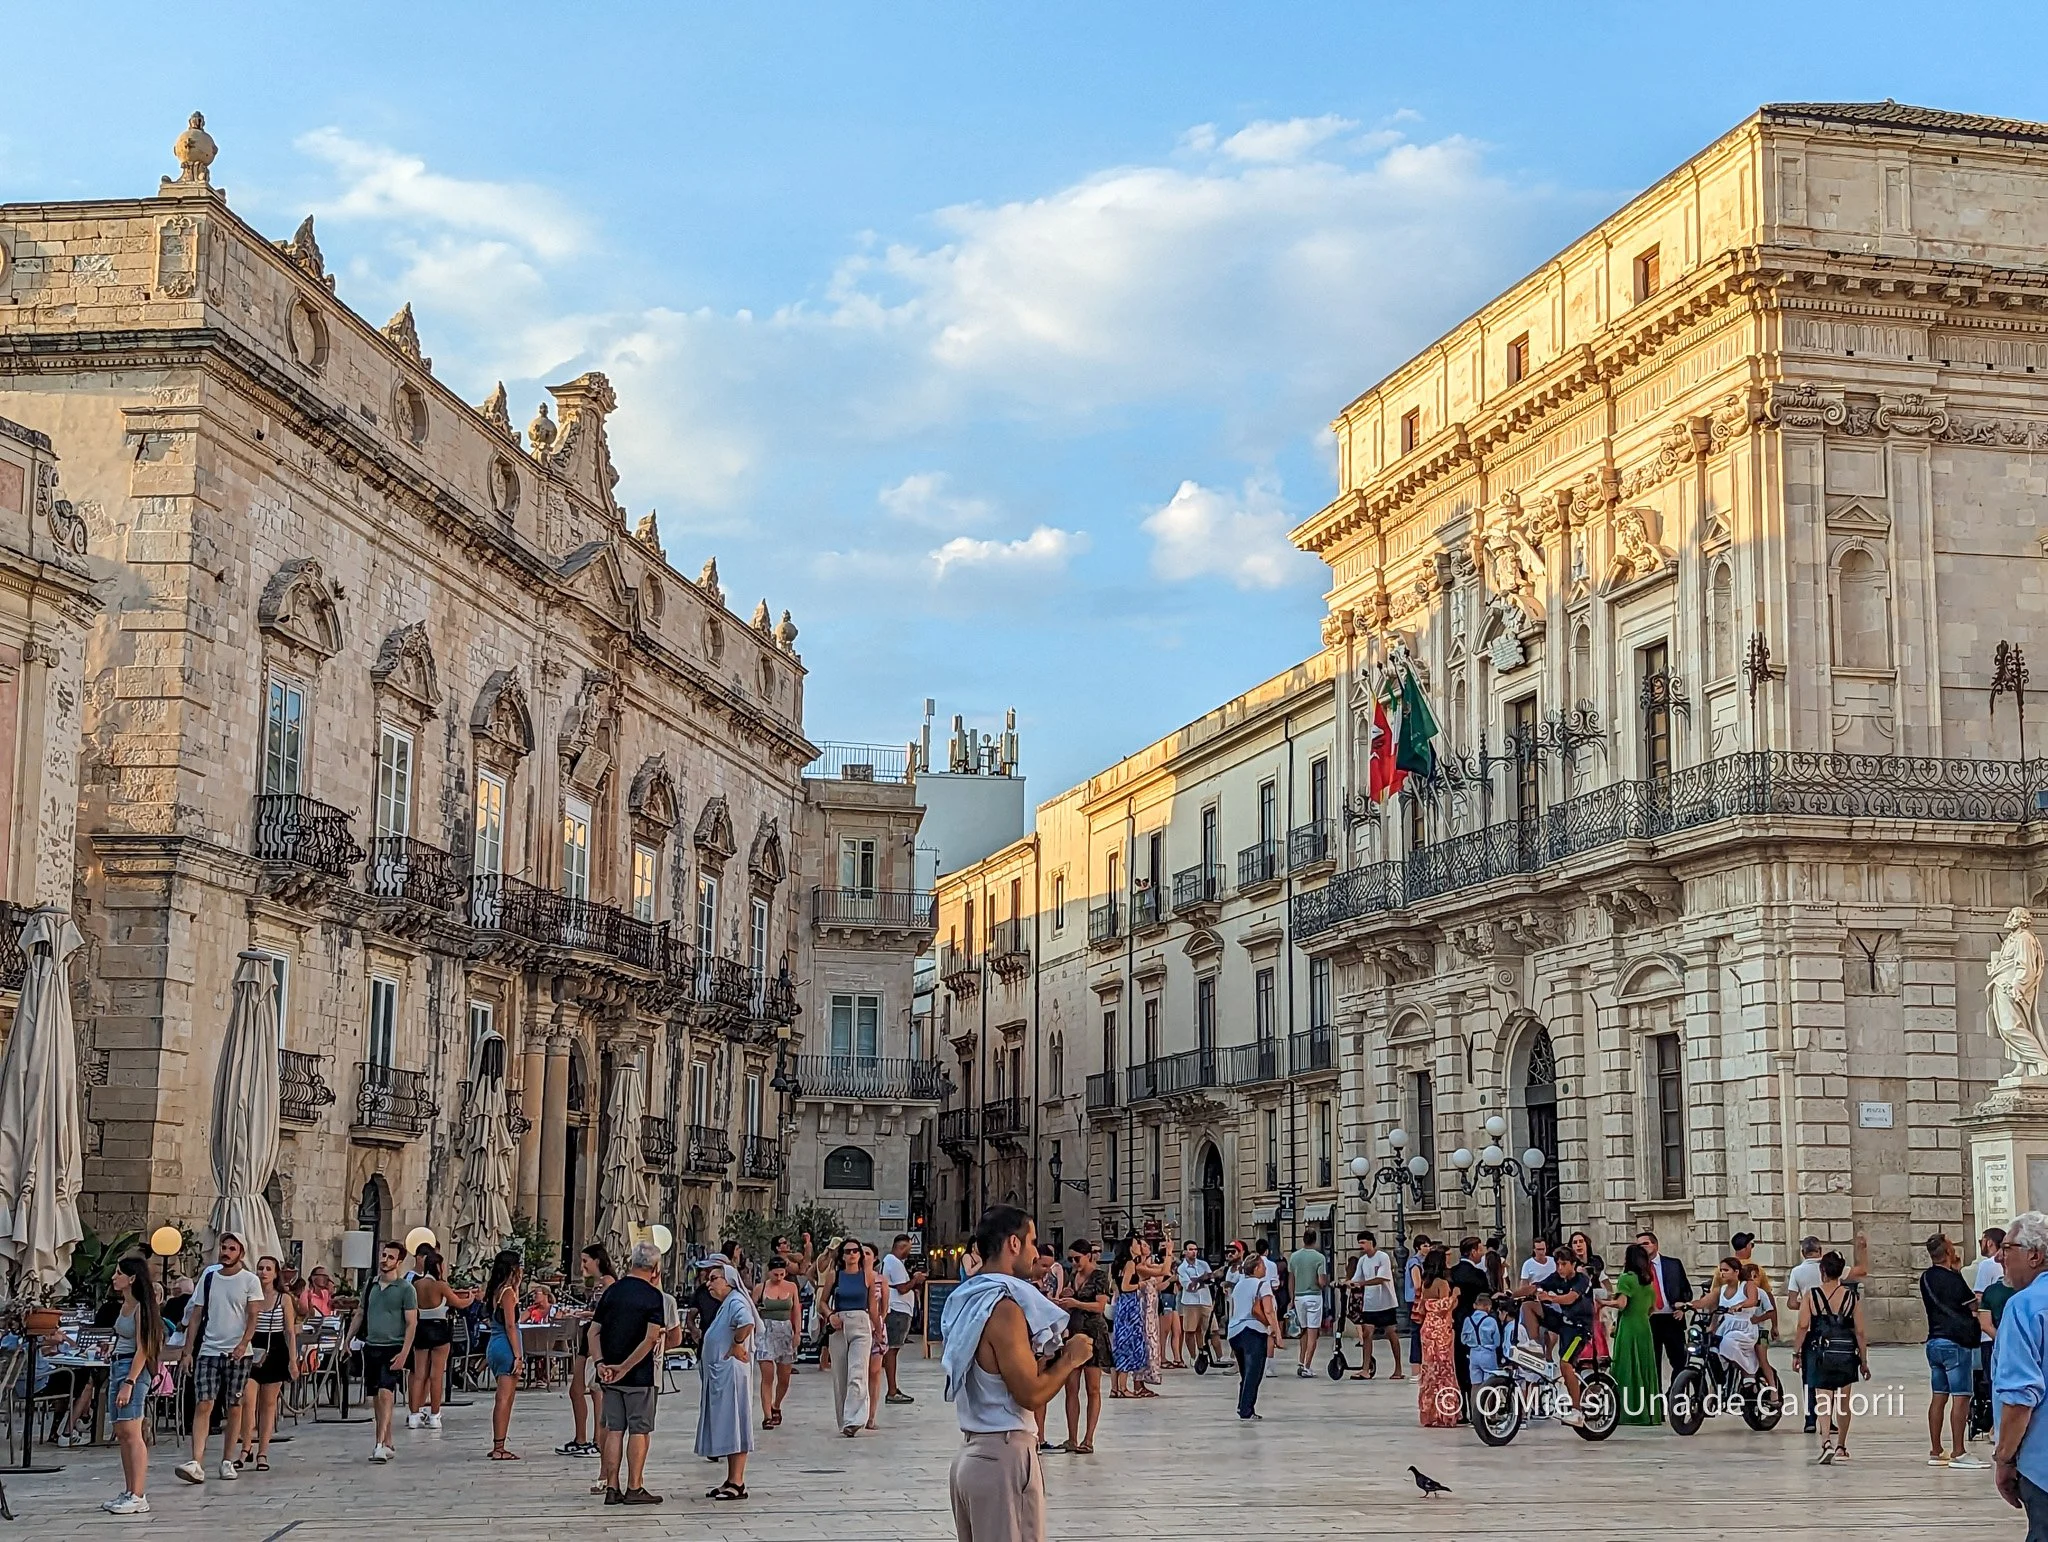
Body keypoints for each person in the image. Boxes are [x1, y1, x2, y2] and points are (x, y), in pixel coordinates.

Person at [942, 1206, 1093, 1542]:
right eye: (1032, 1242)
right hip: (1004, 1456)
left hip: (973, 1455)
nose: (1035, 1252)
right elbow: (1029, 1394)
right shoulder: (1005, 1308)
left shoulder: (970, 1300)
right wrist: (1070, 1359)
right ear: (1013, 1243)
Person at [174, 1231, 265, 1485]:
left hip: (238, 1352)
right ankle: (196, 1461)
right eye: (224, 1247)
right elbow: (196, 1315)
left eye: (231, 1248)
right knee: (204, 1403)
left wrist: (243, 1343)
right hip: (209, 1349)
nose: (226, 1252)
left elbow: (253, 1316)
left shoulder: (250, 1280)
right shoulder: (209, 1278)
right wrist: (188, 1351)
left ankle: (227, 1459)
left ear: (241, 1253)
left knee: (234, 1405)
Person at [586, 1239, 668, 1505]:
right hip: (637, 1376)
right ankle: (634, 1486)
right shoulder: (653, 1296)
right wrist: (625, 1368)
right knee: (639, 1430)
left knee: (614, 1429)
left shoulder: (612, 1291)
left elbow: (593, 1331)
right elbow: (650, 1339)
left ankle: (612, 1487)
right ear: (655, 1267)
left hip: (608, 1374)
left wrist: (601, 1364)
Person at [1993, 1212, 2048, 1528]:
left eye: (2007, 1248)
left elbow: (2019, 1398)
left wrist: (2004, 1459)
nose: (2000, 1257)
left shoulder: (2024, 1307)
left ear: (2035, 1256)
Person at [688, 1251, 757, 1502]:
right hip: (721, 1375)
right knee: (728, 1426)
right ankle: (730, 1479)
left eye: (714, 1278)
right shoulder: (726, 1304)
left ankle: (737, 1482)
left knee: (735, 1425)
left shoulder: (736, 1301)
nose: (709, 1283)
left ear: (728, 1281)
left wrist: (738, 1343)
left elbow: (747, 1323)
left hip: (731, 1375)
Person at [101, 1254, 164, 1516]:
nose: (114, 1277)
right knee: (122, 1433)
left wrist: (130, 1382)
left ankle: (138, 1493)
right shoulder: (123, 1307)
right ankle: (129, 1490)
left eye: (118, 1273)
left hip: (131, 1370)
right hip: (118, 1364)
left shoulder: (141, 1308)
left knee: (132, 1431)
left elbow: (143, 1348)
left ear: (132, 1279)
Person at [348, 1239, 418, 1464]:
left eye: (390, 1257)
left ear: (398, 1262)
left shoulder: (406, 1289)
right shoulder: (371, 1285)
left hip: (393, 1347)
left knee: (387, 1393)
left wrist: (405, 1352)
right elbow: (360, 1313)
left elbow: (411, 1322)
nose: (384, 1260)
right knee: (376, 1397)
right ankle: (387, 1440)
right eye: (383, 1255)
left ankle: (378, 1444)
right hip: (372, 1345)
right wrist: (347, 1340)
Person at [1794, 1248, 1867, 1464]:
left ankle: (1826, 1441)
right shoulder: (1851, 1298)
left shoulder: (1811, 1295)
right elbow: (1860, 1331)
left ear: (1822, 1271)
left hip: (1820, 1350)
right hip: (1845, 1351)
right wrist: (1864, 1360)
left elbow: (1802, 1325)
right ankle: (1842, 1446)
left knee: (1823, 1398)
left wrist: (1796, 1351)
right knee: (1844, 1401)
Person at [1921, 1232, 1987, 1468]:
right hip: (1955, 1344)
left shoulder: (1926, 1278)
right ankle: (1959, 1451)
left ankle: (1936, 1450)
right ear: (1948, 1252)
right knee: (1961, 1397)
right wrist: (1957, 1272)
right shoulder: (1953, 1279)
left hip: (1934, 1341)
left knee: (1938, 1396)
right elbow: (1972, 1304)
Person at [1518, 1246, 1591, 1426]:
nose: (1559, 1268)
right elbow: (1535, 1287)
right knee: (1528, 1306)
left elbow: (1571, 1298)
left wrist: (1551, 1299)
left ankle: (1577, 1411)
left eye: (1563, 1264)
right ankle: (1534, 1346)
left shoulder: (1582, 1279)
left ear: (1573, 1264)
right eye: (1557, 1264)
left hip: (1578, 1328)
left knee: (1565, 1363)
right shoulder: (1556, 1278)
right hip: (1563, 1321)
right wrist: (1510, 1294)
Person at [237, 1255, 299, 1469]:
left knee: (269, 1404)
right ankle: (246, 1446)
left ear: (275, 1273)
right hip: (253, 1347)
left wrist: (293, 1360)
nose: (263, 1272)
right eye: (260, 1268)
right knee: (247, 1400)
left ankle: (263, 1451)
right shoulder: (250, 1296)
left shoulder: (284, 1299)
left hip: (275, 1349)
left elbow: (289, 1331)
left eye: (268, 1269)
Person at [559, 1243, 616, 1458]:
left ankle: (597, 1439)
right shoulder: (598, 1284)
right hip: (587, 1338)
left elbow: (606, 1314)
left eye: (586, 1261)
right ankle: (581, 1437)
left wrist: (585, 1315)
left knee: (595, 1390)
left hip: (596, 1340)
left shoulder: (609, 1284)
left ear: (597, 1261)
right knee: (577, 1389)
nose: (583, 1265)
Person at [1056, 1240, 1109, 1453]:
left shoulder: (1100, 1277)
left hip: (1094, 1333)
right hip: (1074, 1331)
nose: (1073, 1262)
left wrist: (1076, 1303)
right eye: (1070, 1259)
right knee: (1071, 1387)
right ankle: (1072, 1438)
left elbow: (1100, 1306)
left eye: (1077, 1258)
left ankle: (1088, 1439)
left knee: (1093, 1388)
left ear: (1088, 1256)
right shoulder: (1073, 1276)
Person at [819, 1237, 874, 1436]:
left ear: (859, 1254)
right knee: (840, 1375)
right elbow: (822, 1302)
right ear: (842, 1255)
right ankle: (845, 1420)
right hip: (840, 1324)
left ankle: (855, 1419)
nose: (851, 1255)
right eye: (847, 1251)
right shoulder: (835, 1276)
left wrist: (878, 1327)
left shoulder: (867, 1276)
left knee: (857, 1372)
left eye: (855, 1251)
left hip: (861, 1323)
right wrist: (830, 1315)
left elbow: (872, 1307)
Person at [1602, 1242, 1660, 1425]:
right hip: (1644, 1327)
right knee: (1645, 1368)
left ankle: (1629, 1411)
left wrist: (1603, 1303)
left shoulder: (1626, 1279)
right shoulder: (1648, 1282)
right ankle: (1650, 1412)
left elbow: (1622, 1304)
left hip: (1628, 1326)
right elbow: (1653, 1308)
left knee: (1626, 1367)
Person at [1226, 1242, 1281, 1420]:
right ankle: (1246, 1410)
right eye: (1263, 1266)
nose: (1265, 1268)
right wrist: (1276, 1332)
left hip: (1234, 1332)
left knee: (1245, 1372)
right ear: (1257, 1268)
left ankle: (1242, 1404)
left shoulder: (1239, 1286)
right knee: (1254, 1372)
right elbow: (1268, 1311)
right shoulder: (1262, 1285)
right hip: (1253, 1330)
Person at [482, 1248, 526, 1460]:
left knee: (504, 1397)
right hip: (506, 1345)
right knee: (505, 1398)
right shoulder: (507, 1293)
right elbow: (510, 1324)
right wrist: (518, 1356)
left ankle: (499, 1443)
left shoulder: (496, 1290)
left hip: (494, 1342)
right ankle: (499, 1446)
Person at [1636, 1230, 1693, 1385]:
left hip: (1671, 1318)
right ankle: (1657, 1402)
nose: (1643, 1248)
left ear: (1655, 1244)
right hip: (1649, 1320)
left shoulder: (1673, 1264)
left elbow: (1686, 1291)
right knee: (1652, 1365)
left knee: (1680, 1361)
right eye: (1639, 1246)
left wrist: (1682, 1308)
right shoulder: (1636, 1270)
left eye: (1645, 1244)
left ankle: (1673, 1395)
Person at [407, 1247, 452, 1431]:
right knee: (436, 1375)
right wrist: (471, 1298)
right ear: (439, 1267)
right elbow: (457, 1302)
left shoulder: (416, 1285)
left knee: (419, 1374)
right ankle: (435, 1415)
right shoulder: (440, 1285)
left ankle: (414, 1415)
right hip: (439, 1328)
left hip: (421, 1328)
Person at [1784, 1235, 1826, 1434]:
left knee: (1809, 1376)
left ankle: (1810, 1419)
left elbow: (1791, 1303)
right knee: (1830, 1376)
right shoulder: (1829, 1268)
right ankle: (1830, 1420)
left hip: (1809, 1328)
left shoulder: (1797, 1272)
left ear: (1803, 1253)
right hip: (1831, 1327)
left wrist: (1808, 1305)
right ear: (1820, 1251)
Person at [754, 1254, 800, 1429]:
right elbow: (751, 1309)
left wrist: (797, 1332)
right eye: (776, 1275)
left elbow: (796, 1309)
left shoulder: (791, 1287)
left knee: (784, 1377)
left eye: (782, 1274)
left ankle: (776, 1405)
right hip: (766, 1331)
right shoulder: (761, 1288)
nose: (779, 1278)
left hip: (785, 1330)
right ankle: (766, 1415)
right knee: (767, 1375)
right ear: (769, 1272)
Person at [1347, 1231, 1401, 1380]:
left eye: (1363, 1242)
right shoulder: (1363, 1260)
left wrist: (1362, 1283)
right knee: (1367, 1334)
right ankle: (1365, 1368)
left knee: (1391, 1333)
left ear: (1371, 1242)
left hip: (1386, 1302)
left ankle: (1398, 1368)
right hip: (1370, 1303)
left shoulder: (1383, 1257)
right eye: (1360, 1243)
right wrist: (1347, 1283)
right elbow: (1357, 1277)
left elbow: (1381, 1278)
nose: (1361, 1246)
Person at [880, 1233, 926, 1405]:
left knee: (893, 1349)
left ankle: (893, 1388)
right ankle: (892, 1390)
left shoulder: (890, 1261)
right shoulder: (895, 1263)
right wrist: (915, 1279)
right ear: (901, 1247)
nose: (909, 1252)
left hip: (898, 1309)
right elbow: (902, 1288)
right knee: (892, 1349)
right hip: (897, 1310)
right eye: (908, 1248)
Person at [1415, 1246, 1458, 1428]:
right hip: (1441, 1328)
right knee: (1445, 1370)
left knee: (1430, 1370)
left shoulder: (1426, 1284)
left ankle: (1429, 1411)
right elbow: (1445, 1306)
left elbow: (1423, 1308)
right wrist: (1455, 1296)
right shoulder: (1442, 1284)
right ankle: (1446, 1413)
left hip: (1427, 1328)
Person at [1447, 1236, 1489, 1402]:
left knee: (1459, 1363)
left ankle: (1461, 1405)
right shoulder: (1478, 1275)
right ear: (1473, 1252)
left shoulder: (1453, 1273)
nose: (1482, 1252)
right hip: (1476, 1325)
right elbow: (1486, 1296)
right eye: (1480, 1249)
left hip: (1456, 1322)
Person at [1289, 1228, 1330, 1378]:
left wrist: (1291, 1298)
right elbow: (1321, 1281)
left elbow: (1291, 1279)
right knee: (1313, 1332)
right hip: (1314, 1296)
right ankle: (1307, 1366)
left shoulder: (1294, 1257)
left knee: (1304, 1331)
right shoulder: (1319, 1258)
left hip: (1299, 1297)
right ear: (1315, 1239)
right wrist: (1323, 1283)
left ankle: (1301, 1361)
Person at [1174, 1242, 1214, 1368]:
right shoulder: (1182, 1268)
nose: (1194, 1252)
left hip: (1205, 1300)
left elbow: (1211, 1279)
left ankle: (1208, 1354)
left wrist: (1198, 1280)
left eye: (1195, 1249)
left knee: (1209, 1330)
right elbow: (1189, 1287)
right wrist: (1201, 1280)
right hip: (1190, 1302)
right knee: (1190, 1330)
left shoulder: (1203, 1264)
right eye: (1191, 1249)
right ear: (1185, 1251)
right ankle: (1193, 1356)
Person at [1405, 1233, 1429, 1367]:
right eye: (1425, 1245)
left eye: (1428, 1245)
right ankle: (1416, 1361)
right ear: (1418, 1247)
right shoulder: (1415, 1262)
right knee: (1416, 1331)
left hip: (1417, 1299)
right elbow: (1417, 1284)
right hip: (1415, 1300)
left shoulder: (1423, 1261)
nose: (1428, 1248)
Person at [1981, 1227, 2010, 1293]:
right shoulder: (2011, 1261)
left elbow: (1979, 1295)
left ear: (1989, 1243)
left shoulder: (1986, 1264)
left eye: (1981, 1241)